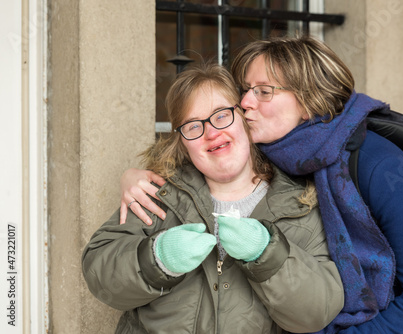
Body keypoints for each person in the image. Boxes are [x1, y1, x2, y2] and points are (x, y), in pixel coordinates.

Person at [119, 35, 403, 333]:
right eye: (245, 89)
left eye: (264, 91)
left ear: (309, 100)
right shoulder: (282, 153)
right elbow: (198, 148)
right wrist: (133, 177)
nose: (245, 102)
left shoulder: (381, 167)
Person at [82, 63, 344, 334]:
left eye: (221, 116)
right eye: (193, 126)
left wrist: (268, 255)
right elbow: (99, 276)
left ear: (244, 116)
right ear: (182, 141)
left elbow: (316, 313)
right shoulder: (158, 194)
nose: (211, 133)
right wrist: (157, 259)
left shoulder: (301, 203)